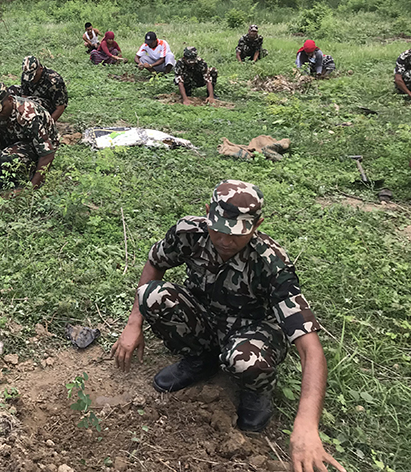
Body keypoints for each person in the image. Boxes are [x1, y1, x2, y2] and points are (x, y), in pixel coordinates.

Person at [111, 180, 346, 472]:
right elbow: (155, 262)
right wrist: (134, 323)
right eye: (218, 228)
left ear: (257, 224)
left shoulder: (271, 262)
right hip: (205, 317)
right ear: (208, 212)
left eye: (236, 234)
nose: (224, 240)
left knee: (245, 361)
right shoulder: (190, 232)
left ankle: (256, 392)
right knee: (151, 295)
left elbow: (311, 350)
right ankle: (201, 359)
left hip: (252, 330)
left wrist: (307, 424)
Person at [9, 55, 68, 121]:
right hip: (32, 97)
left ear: (40, 69)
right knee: (11, 91)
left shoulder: (54, 81)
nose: (31, 79)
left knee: (33, 101)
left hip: (49, 104)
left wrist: (49, 124)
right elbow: (24, 95)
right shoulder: (26, 75)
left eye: (34, 75)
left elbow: (60, 108)